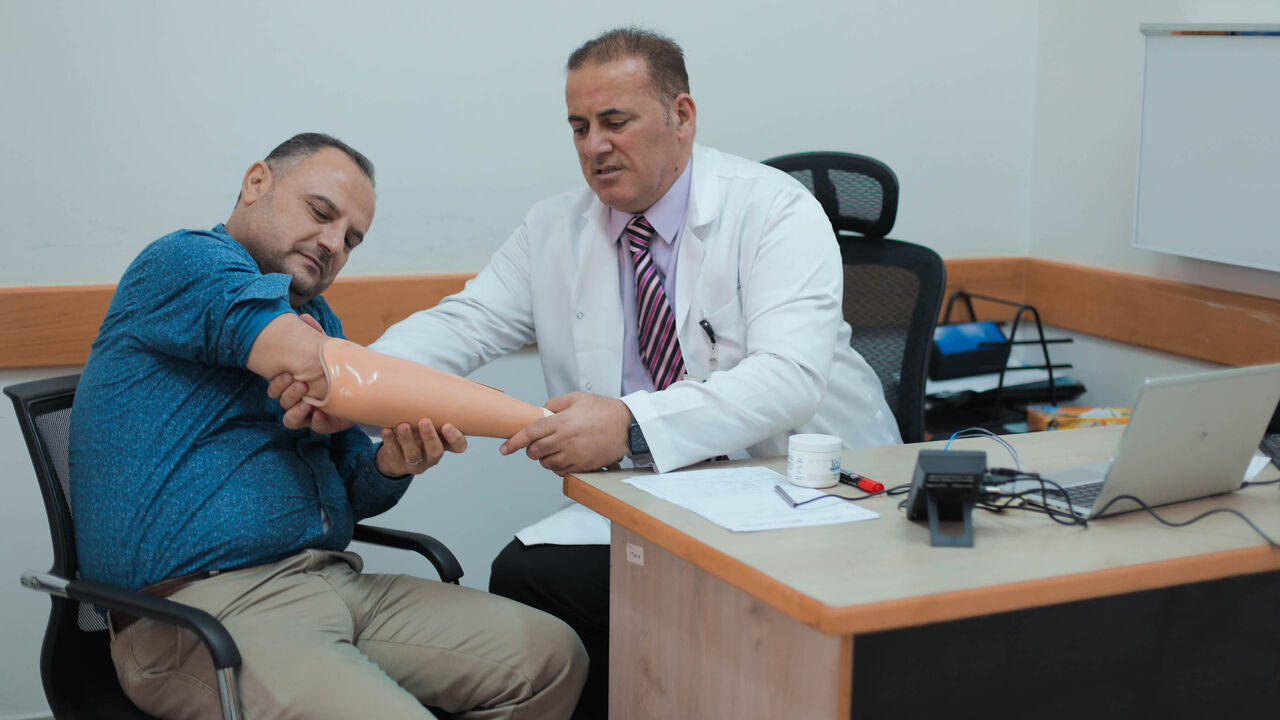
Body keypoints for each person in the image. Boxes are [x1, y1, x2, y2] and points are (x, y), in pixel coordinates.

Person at [280, 28, 901, 719]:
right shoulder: (555, 230)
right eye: (578, 127)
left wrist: (630, 423)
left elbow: (787, 378)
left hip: (806, 491)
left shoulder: (773, 209)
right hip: (660, 498)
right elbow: (464, 323)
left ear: (681, 117)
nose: (593, 146)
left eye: (615, 122)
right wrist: (343, 376)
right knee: (528, 578)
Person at [69, 133, 587, 720]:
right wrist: (535, 422)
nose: (333, 244)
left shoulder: (315, 317)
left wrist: (392, 463)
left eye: (352, 238)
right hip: (200, 615)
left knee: (552, 657)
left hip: (330, 581)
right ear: (256, 182)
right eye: (321, 212)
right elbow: (302, 359)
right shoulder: (183, 262)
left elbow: (350, 486)